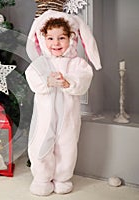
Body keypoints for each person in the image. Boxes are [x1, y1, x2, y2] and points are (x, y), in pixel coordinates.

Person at [25, 10, 102, 196]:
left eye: (61, 38)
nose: (56, 43)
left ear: (71, 39)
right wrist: (47, 82)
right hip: (45, 116)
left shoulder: (76, 63)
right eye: (50, 39)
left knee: (66, 145)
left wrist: (69, 82)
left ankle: (62, 178)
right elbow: (32, 76)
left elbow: (84, 78)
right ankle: (42, 178)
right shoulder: (41, 63)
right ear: (43, 40)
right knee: (41, 144)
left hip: (68, 116)